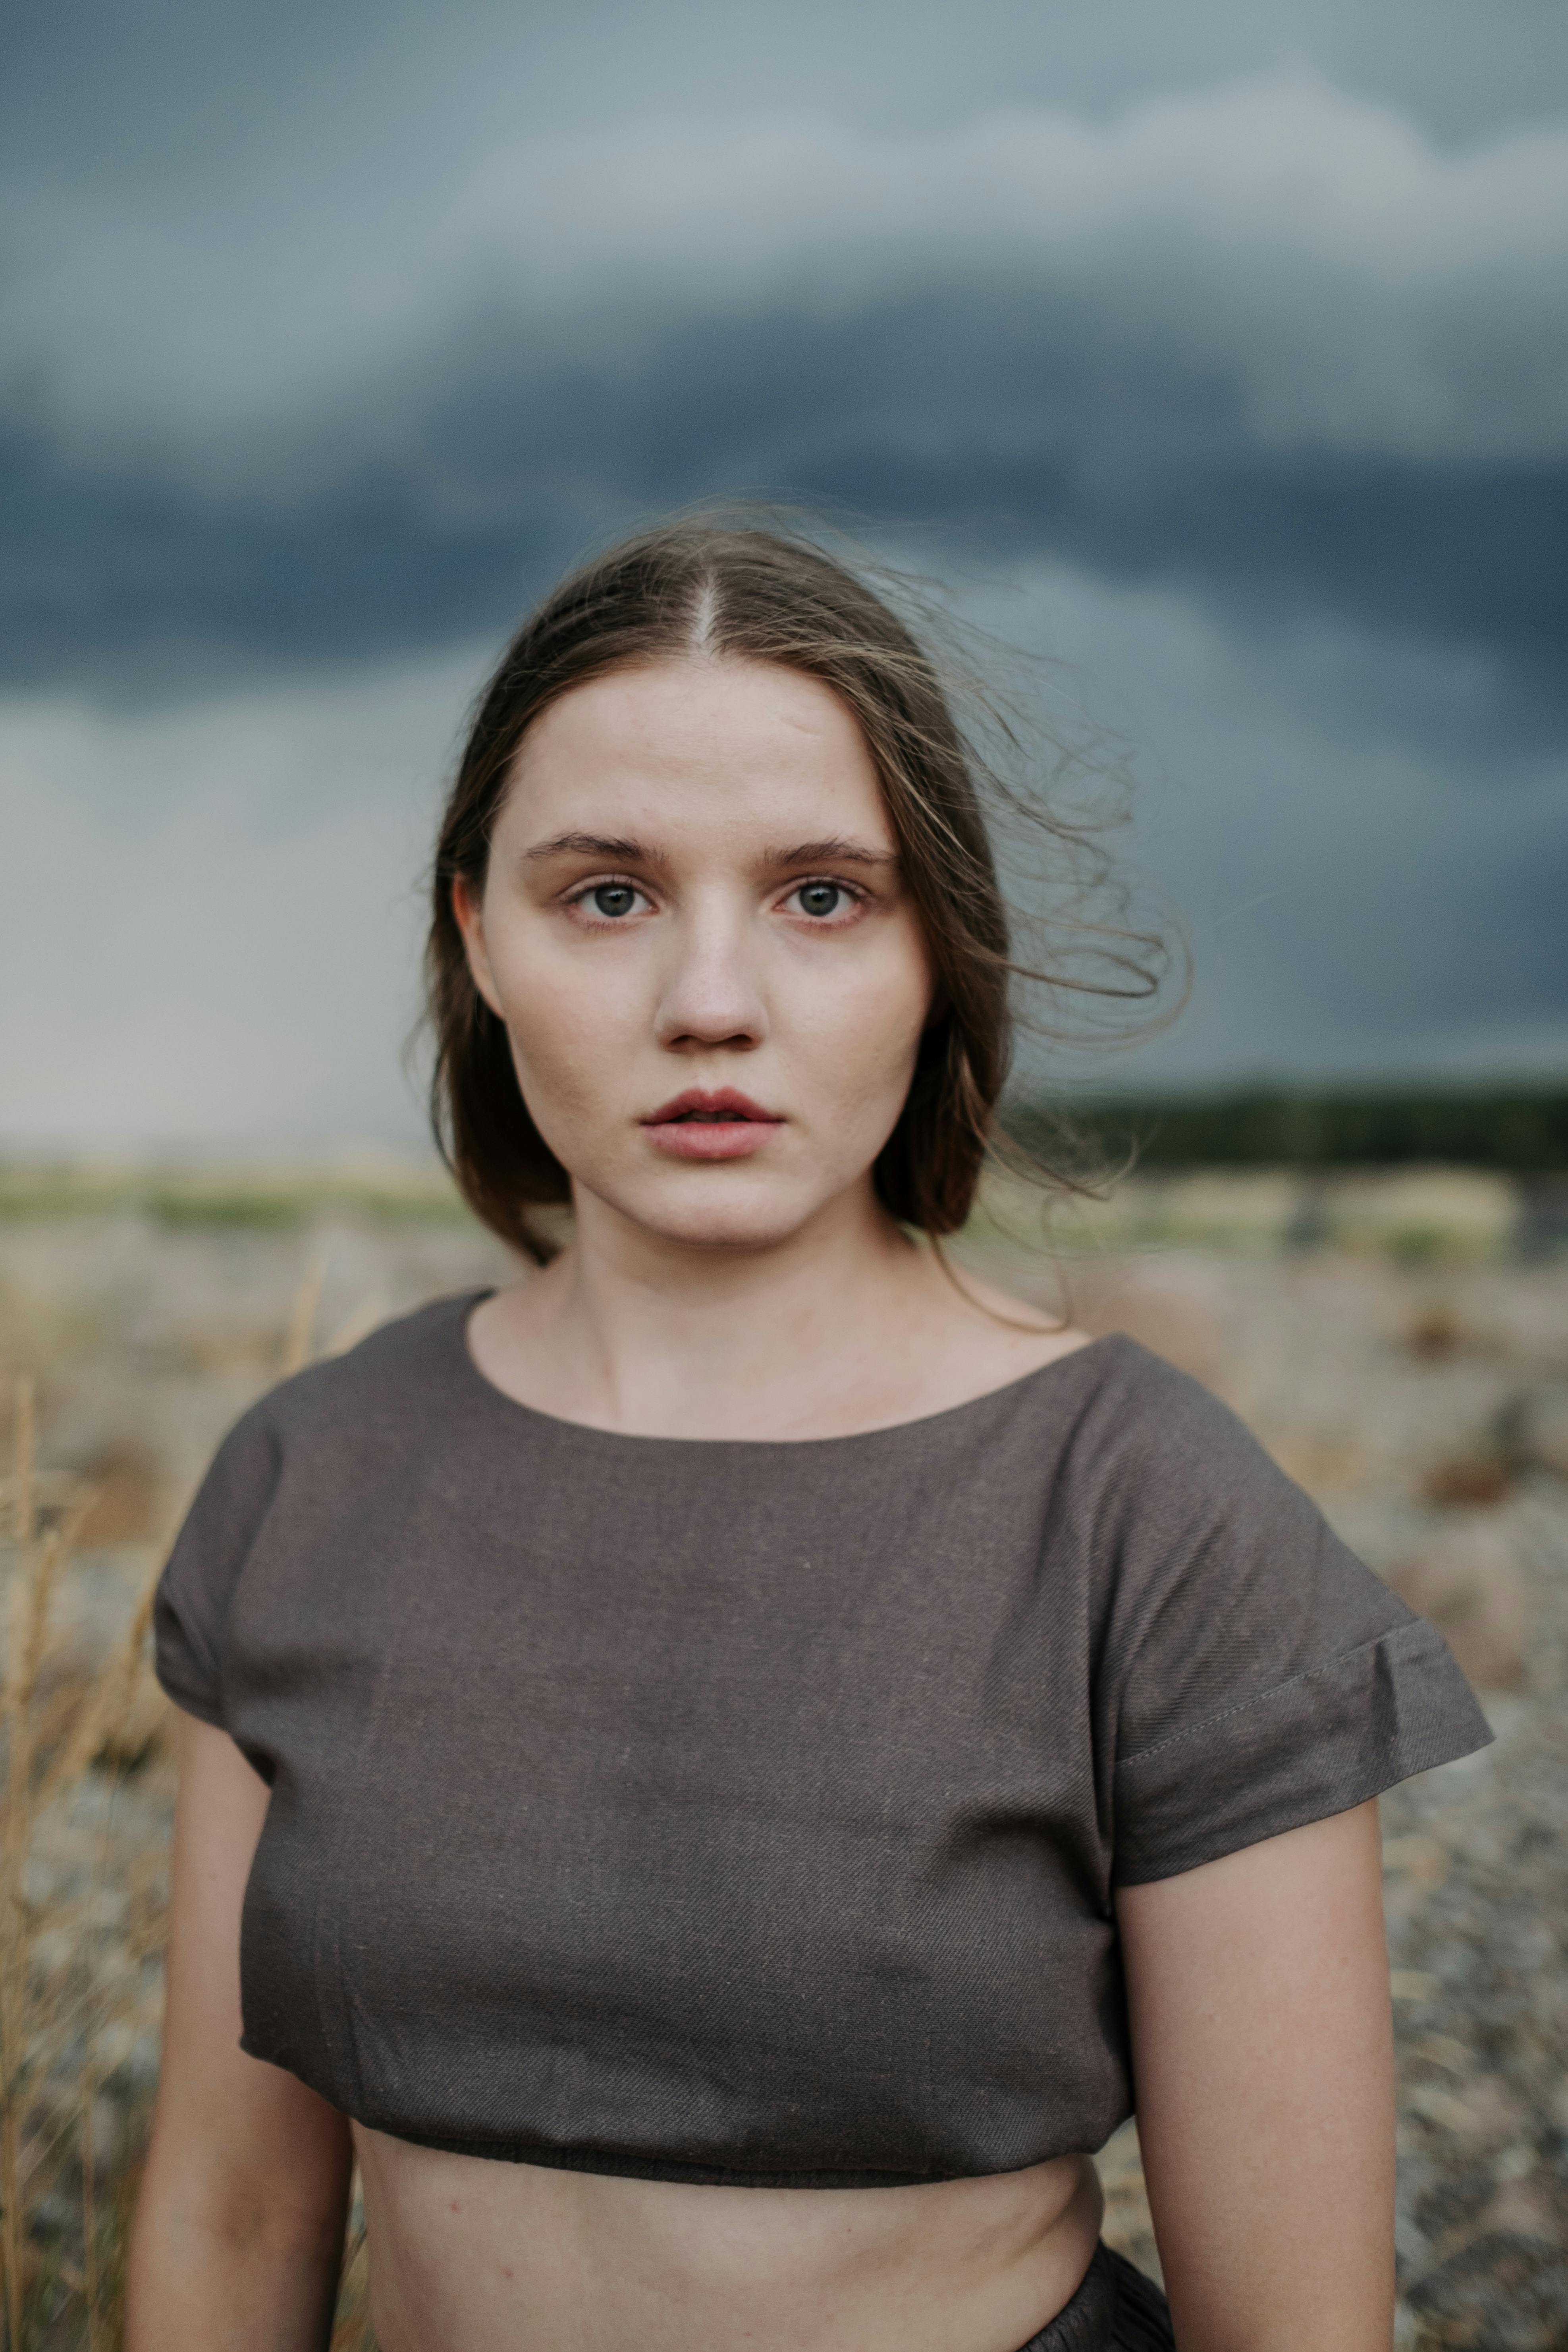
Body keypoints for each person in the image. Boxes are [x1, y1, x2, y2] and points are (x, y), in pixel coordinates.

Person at [126, 521, 1490, 2352]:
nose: (712, 999)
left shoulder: (1145, 1512)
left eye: (822, 894)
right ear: (477, 933)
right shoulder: (310, 1470)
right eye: (606, 892)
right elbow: (227, 2223)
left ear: (937, 947)